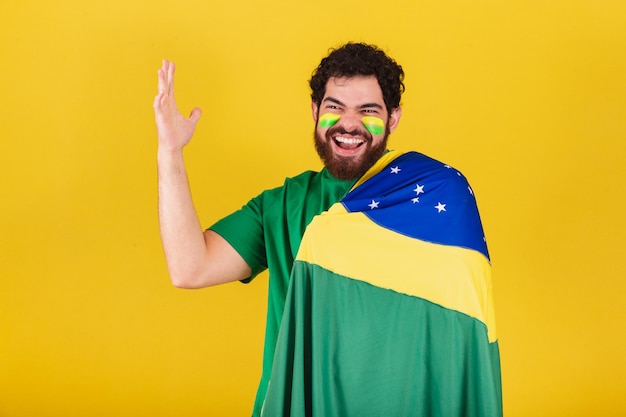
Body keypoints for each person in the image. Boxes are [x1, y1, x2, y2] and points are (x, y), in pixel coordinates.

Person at [154, 42, 502, 417]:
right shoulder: (284, 204)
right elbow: (190, 267)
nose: (349, 124)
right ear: (315, 110)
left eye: (368, 111)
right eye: (335, 107)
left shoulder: (432, 197)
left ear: (393, 119)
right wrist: (170, 151)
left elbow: (458, 328)